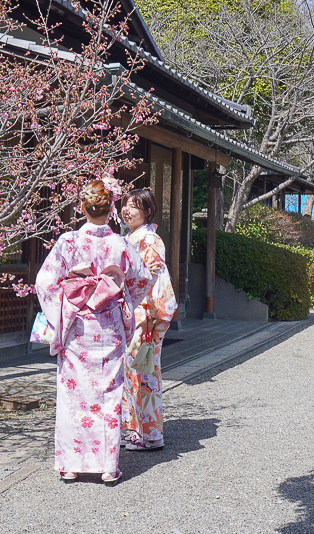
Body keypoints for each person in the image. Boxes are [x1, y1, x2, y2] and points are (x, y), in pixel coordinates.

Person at [35, 179, 154, 484]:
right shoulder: (120, 243)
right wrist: (123, 300)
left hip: (77, 326)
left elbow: (45, 283)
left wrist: (62, 311)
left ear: (81, 207)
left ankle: (70, 464)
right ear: (111, 208)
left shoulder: (68, 242)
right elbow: (141, 279)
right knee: (108, 394)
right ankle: (107, 467)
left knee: (73, 394)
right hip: (109, 325)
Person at [120, 188, 178, 451]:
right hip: (137, 311)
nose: (127, 210)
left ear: (148, 211)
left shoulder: (150, 240)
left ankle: (151, 435)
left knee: (144, 371)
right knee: (134, 371)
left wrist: (143, 317)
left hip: (147, 313)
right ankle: (137, 430)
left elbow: (151, 280)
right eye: (125, 205)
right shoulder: (132, 237)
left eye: (134, 206)